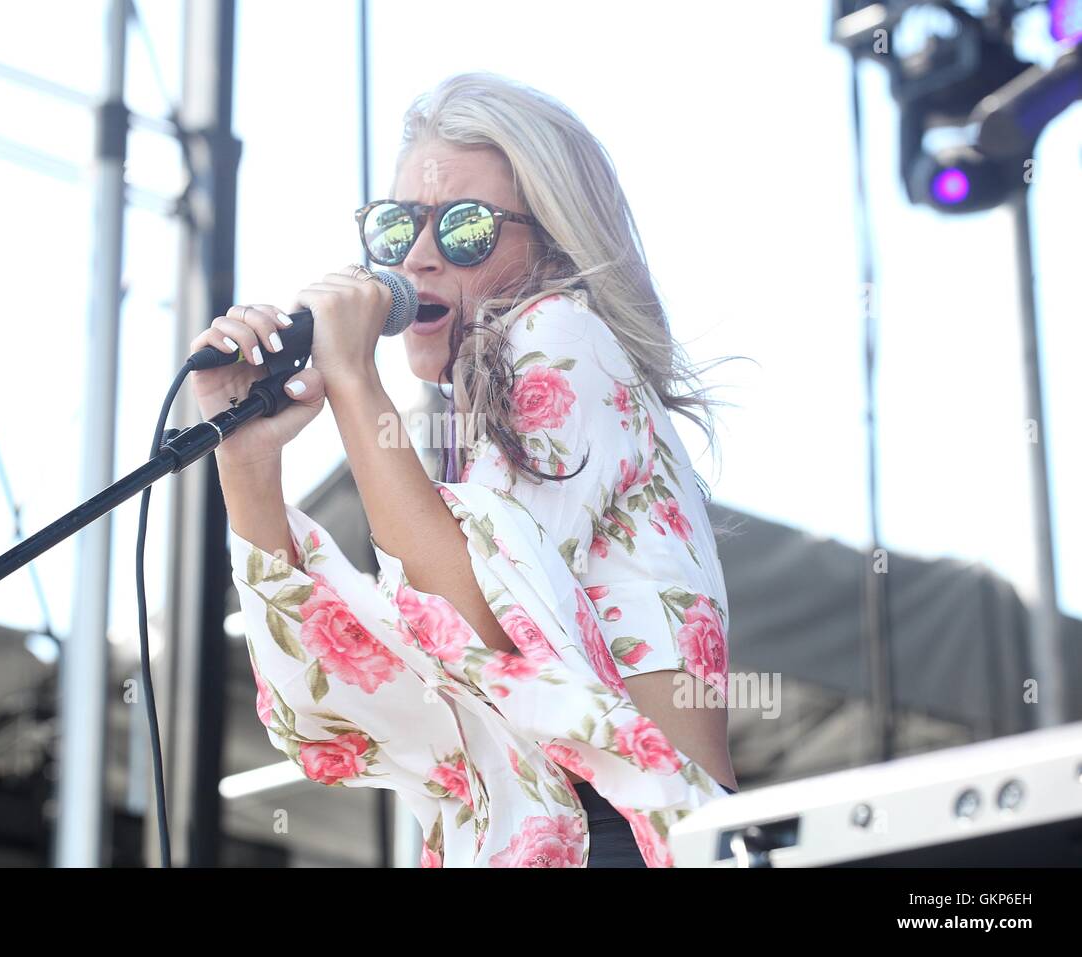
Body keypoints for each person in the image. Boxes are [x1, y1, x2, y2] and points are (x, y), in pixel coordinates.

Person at [188, 72, 740, 868]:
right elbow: (339, 704)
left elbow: (482, 624)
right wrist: (247, 462)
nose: (418, 257)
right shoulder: (464, 435)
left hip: (625, 838)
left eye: (467, 228)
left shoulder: (560, 335)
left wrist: (352, 378)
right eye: (396, 226)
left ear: (551, 240)